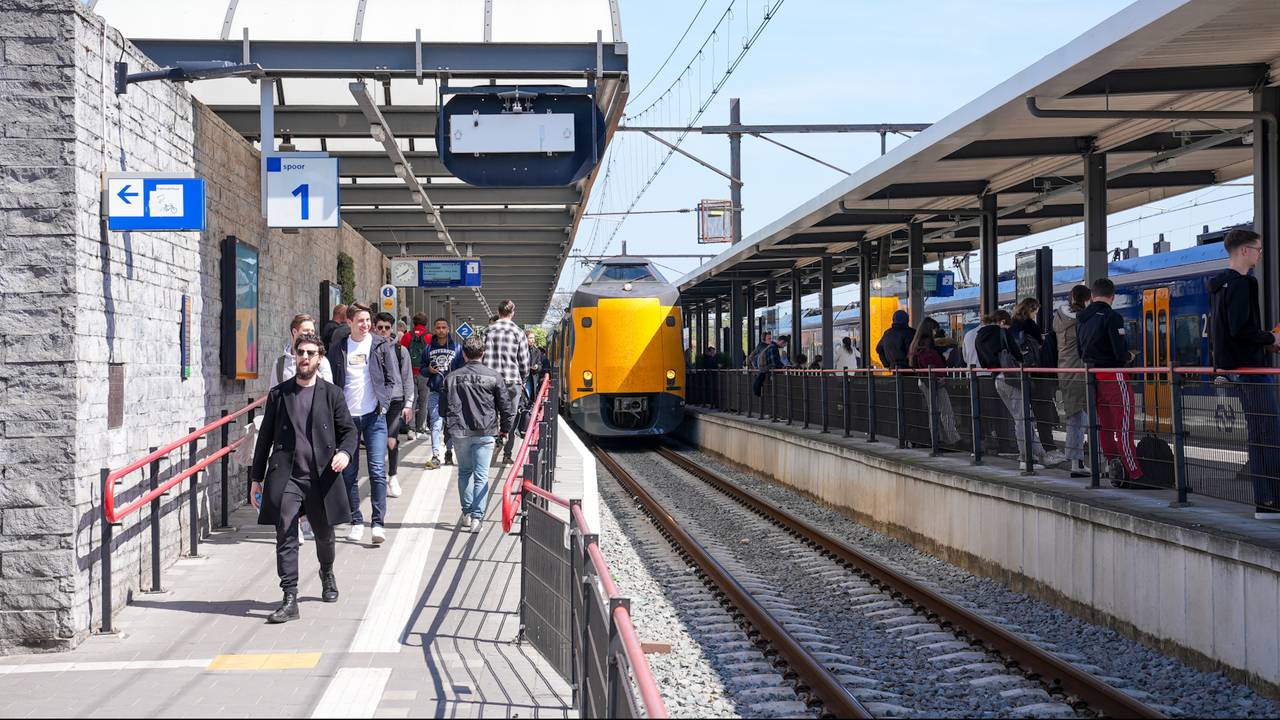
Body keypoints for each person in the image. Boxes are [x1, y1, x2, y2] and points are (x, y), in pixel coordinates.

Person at [250, 333, 357, 624]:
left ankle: (327, 572)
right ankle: (289, 597)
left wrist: (345, 454)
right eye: (301, 352)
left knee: (324, 535)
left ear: (319, 358)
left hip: (321, 477)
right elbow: (265, 440)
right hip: (288, 476)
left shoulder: (331, 394)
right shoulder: (279, 394)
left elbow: (349, 431)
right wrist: (256, 478)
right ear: (295, 356)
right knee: (285, 532)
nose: (305, 358)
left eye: (311, 353)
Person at [1209, 228, 1280, 519]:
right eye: (1258, 249)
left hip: (1237, 368)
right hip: (1251, 370)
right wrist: (1270, 340)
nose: (1260, 254)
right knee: (1269, 433)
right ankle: (1271, 502)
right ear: (1244, 251)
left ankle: (1267, 500)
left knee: (1259, 433)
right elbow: (1242, 329)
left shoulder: (1219, 285)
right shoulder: (1242, 284)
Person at [327, 303, 402, 544]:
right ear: (349, 322)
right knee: (348, 473)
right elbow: (331, 384)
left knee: (377, 471)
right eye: (361, 320)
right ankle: (356, 520)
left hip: (374, 417)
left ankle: (378, 523)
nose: (366, 325)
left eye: (368, 320)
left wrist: (383, 403)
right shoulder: (338, 348)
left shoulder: (380, 345)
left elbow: (392, 378)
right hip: (347, 420)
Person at [440, 336, 514, 533]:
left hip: (459, 431)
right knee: (481, 475)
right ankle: (477, 519)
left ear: (463, 354)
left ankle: (466, 512)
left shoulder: (451, 377)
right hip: (485, 431)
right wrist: (505, 429)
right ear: (484, 353)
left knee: (464, 472)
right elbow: (506, 407)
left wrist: (448, 428)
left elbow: (442, 409)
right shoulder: (494, 376)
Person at [1077, 277, 1143, 487]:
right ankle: (1134, 473)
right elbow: (1119, 350)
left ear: (1093, 296)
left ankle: (1115, 469)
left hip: (1093, 378)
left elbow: (1080, 351)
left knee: (1105, 427)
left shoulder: (1082, 318)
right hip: (1114, 377)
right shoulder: (1112, 317)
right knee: (1124, 426)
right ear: (1112, 297)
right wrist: (1129, 357)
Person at [977, 310, 1065, 468]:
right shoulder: (1001, 332)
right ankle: (1027, 459)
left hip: (997, 379)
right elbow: (1017, 355)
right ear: (1002, 322)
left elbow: (984, 363)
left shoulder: (979, 336)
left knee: (1021, 418)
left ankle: (1039, 455)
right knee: (1023, 419)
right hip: (1011, 378)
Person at [373, 312, 415, 499]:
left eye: (387, 328)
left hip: (395, 400)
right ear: (375, 327)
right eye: (380, 327)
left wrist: (409, 404)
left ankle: (393, 476)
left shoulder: (400, 350)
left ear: (392, 329)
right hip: (373, 400)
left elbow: (407, 378)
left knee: (391, 440)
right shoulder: (368, 347)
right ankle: (380, 477)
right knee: (377, 441)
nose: (383, 331)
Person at [1010, 298, 1059, 454]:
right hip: (1037, 373)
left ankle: (1028, 452)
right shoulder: (1030, 325)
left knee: (1022, 416)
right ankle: (1048, 447)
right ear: (1032, 309)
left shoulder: (1013, 325)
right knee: (1043, 411)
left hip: (1020, 373)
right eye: (1036, 311)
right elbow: (1038, 348)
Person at [1054, 285, 1094, 479]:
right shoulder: (1082, 322)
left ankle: (1075, 461)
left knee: (1074, 419)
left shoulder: (1059, 319)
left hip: (1065, 372)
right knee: (1085, 420)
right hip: (1080, 373)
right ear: (1087, 299)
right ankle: (1081, 463)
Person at [483, 300, 529, 464]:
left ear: (498, 311)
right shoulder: (518, 332)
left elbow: (480, 355)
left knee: (490, 415)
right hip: (511, 380)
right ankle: (507, 454)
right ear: (512, 312)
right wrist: (522, 379)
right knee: (510, 415)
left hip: (489, 379)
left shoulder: (487, 331)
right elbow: (524, 361)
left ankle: (489, 448)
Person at [965, 314, 1018, 455]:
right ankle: (1003, 445)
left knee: (978, 413)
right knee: (1000, 413)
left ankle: (979, 446)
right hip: (991, 376)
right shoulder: (996, 333)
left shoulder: (970, 335)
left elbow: (965, 356)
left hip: (973, 377)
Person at [909, 317, 961, 446]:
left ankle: (937, 440)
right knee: (946, 410)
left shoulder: (916, 343)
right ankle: (952, 440)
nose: (935, 333)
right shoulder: (926, 345)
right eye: (934, 330)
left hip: (925, 380)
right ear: (929, 329)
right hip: (934, 381)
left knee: (934, 410)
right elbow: (930, 363)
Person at [422, 318, 464, 468]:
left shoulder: (457, 348)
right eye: (438, 327)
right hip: (435, 391)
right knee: (436, 424)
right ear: (434, 329)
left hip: (452, 393)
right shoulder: (428, 349)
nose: (441, 330)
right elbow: (422, 368)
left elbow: (462, 369)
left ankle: (449, 451)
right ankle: (435, 455)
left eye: (443, 327)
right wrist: (429, 370)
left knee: (452, 424)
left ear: (448, 329)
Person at [272, 314, 334, 388]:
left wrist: (313, 371)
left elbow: (330, 390)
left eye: (312, 331)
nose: (310, 334)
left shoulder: (321, 360)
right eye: (306, 330)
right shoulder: (279, 364)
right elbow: (273, 392)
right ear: (294, 332)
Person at [401, 313, 433, 434]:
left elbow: (401, 354)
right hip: (424, 374)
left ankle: (411, 427)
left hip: (409, 374)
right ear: (426, 323)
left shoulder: (407, 336)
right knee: (424, 401)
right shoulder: (429, 337)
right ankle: (421, 427)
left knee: (411, 401)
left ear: (413, 323)